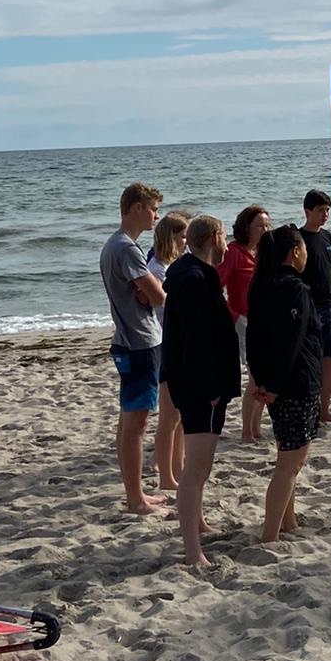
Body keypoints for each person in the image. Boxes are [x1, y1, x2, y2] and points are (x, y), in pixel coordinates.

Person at [163, 215, 242, 569]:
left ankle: (198, 523)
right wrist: (210, 388)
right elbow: (196, 344)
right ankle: (193, 552)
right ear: (214, 238)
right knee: (196, 469)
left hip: (199, 384)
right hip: (200, 387)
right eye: (224, 236)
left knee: (200, 469)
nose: (227, 242)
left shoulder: (193, 275)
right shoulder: (194, 279)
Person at [247, 224, 323, 544]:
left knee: (291, 459)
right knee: (289, 463)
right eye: (303, 247)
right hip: (295, 386)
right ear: (295, 252)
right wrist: (272, 385)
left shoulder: (262, 285)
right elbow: (291, 343)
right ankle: (269, 536)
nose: (306, 252)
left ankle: (288, 521)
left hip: (280, 385)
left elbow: (253, 340)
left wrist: (261, 381)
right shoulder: (292, 288)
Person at [98, 182, 166, 513]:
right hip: (138, 341)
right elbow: (158, 296)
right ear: (137, 207)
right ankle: (135, 498)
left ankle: (135, 492)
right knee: (136, 424)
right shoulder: (126, 248)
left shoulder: (116, 245)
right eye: (153, 208)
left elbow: (146, 293)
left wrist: (146, 293)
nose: (156, 215)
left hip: (130, 340)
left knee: (129, 422)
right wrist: (151, 293)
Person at [218, 204, 271, 443]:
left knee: (265, 376)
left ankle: (257, 428)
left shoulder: (264, 252)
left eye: (266, 225)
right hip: (243, 320)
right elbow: (215, 288)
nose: (264, 229)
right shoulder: (233, 252)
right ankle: (246, 431)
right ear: (246, 227)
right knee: (255, 376)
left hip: (265, 319)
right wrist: (235, 316)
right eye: (259, 225)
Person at [148, 212, 189, 491]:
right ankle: (166, 475)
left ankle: (178, 467)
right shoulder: (157, 269)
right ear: (170, 237)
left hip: (179, 343)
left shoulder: (175, 265)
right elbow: (164, 309)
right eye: (182, 236)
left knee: (181, 415)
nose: (186, 242)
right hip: (166, 344)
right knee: (169, 417)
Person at [300, 190, 331, 422]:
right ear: (308, 211)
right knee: (311, 361)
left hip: (330, 305)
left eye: (327, 210)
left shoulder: (327, 236)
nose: (325, 214)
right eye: (320, 210)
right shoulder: (298, 238)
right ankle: (310, 410)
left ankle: (324, 409)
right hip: (309, 308)